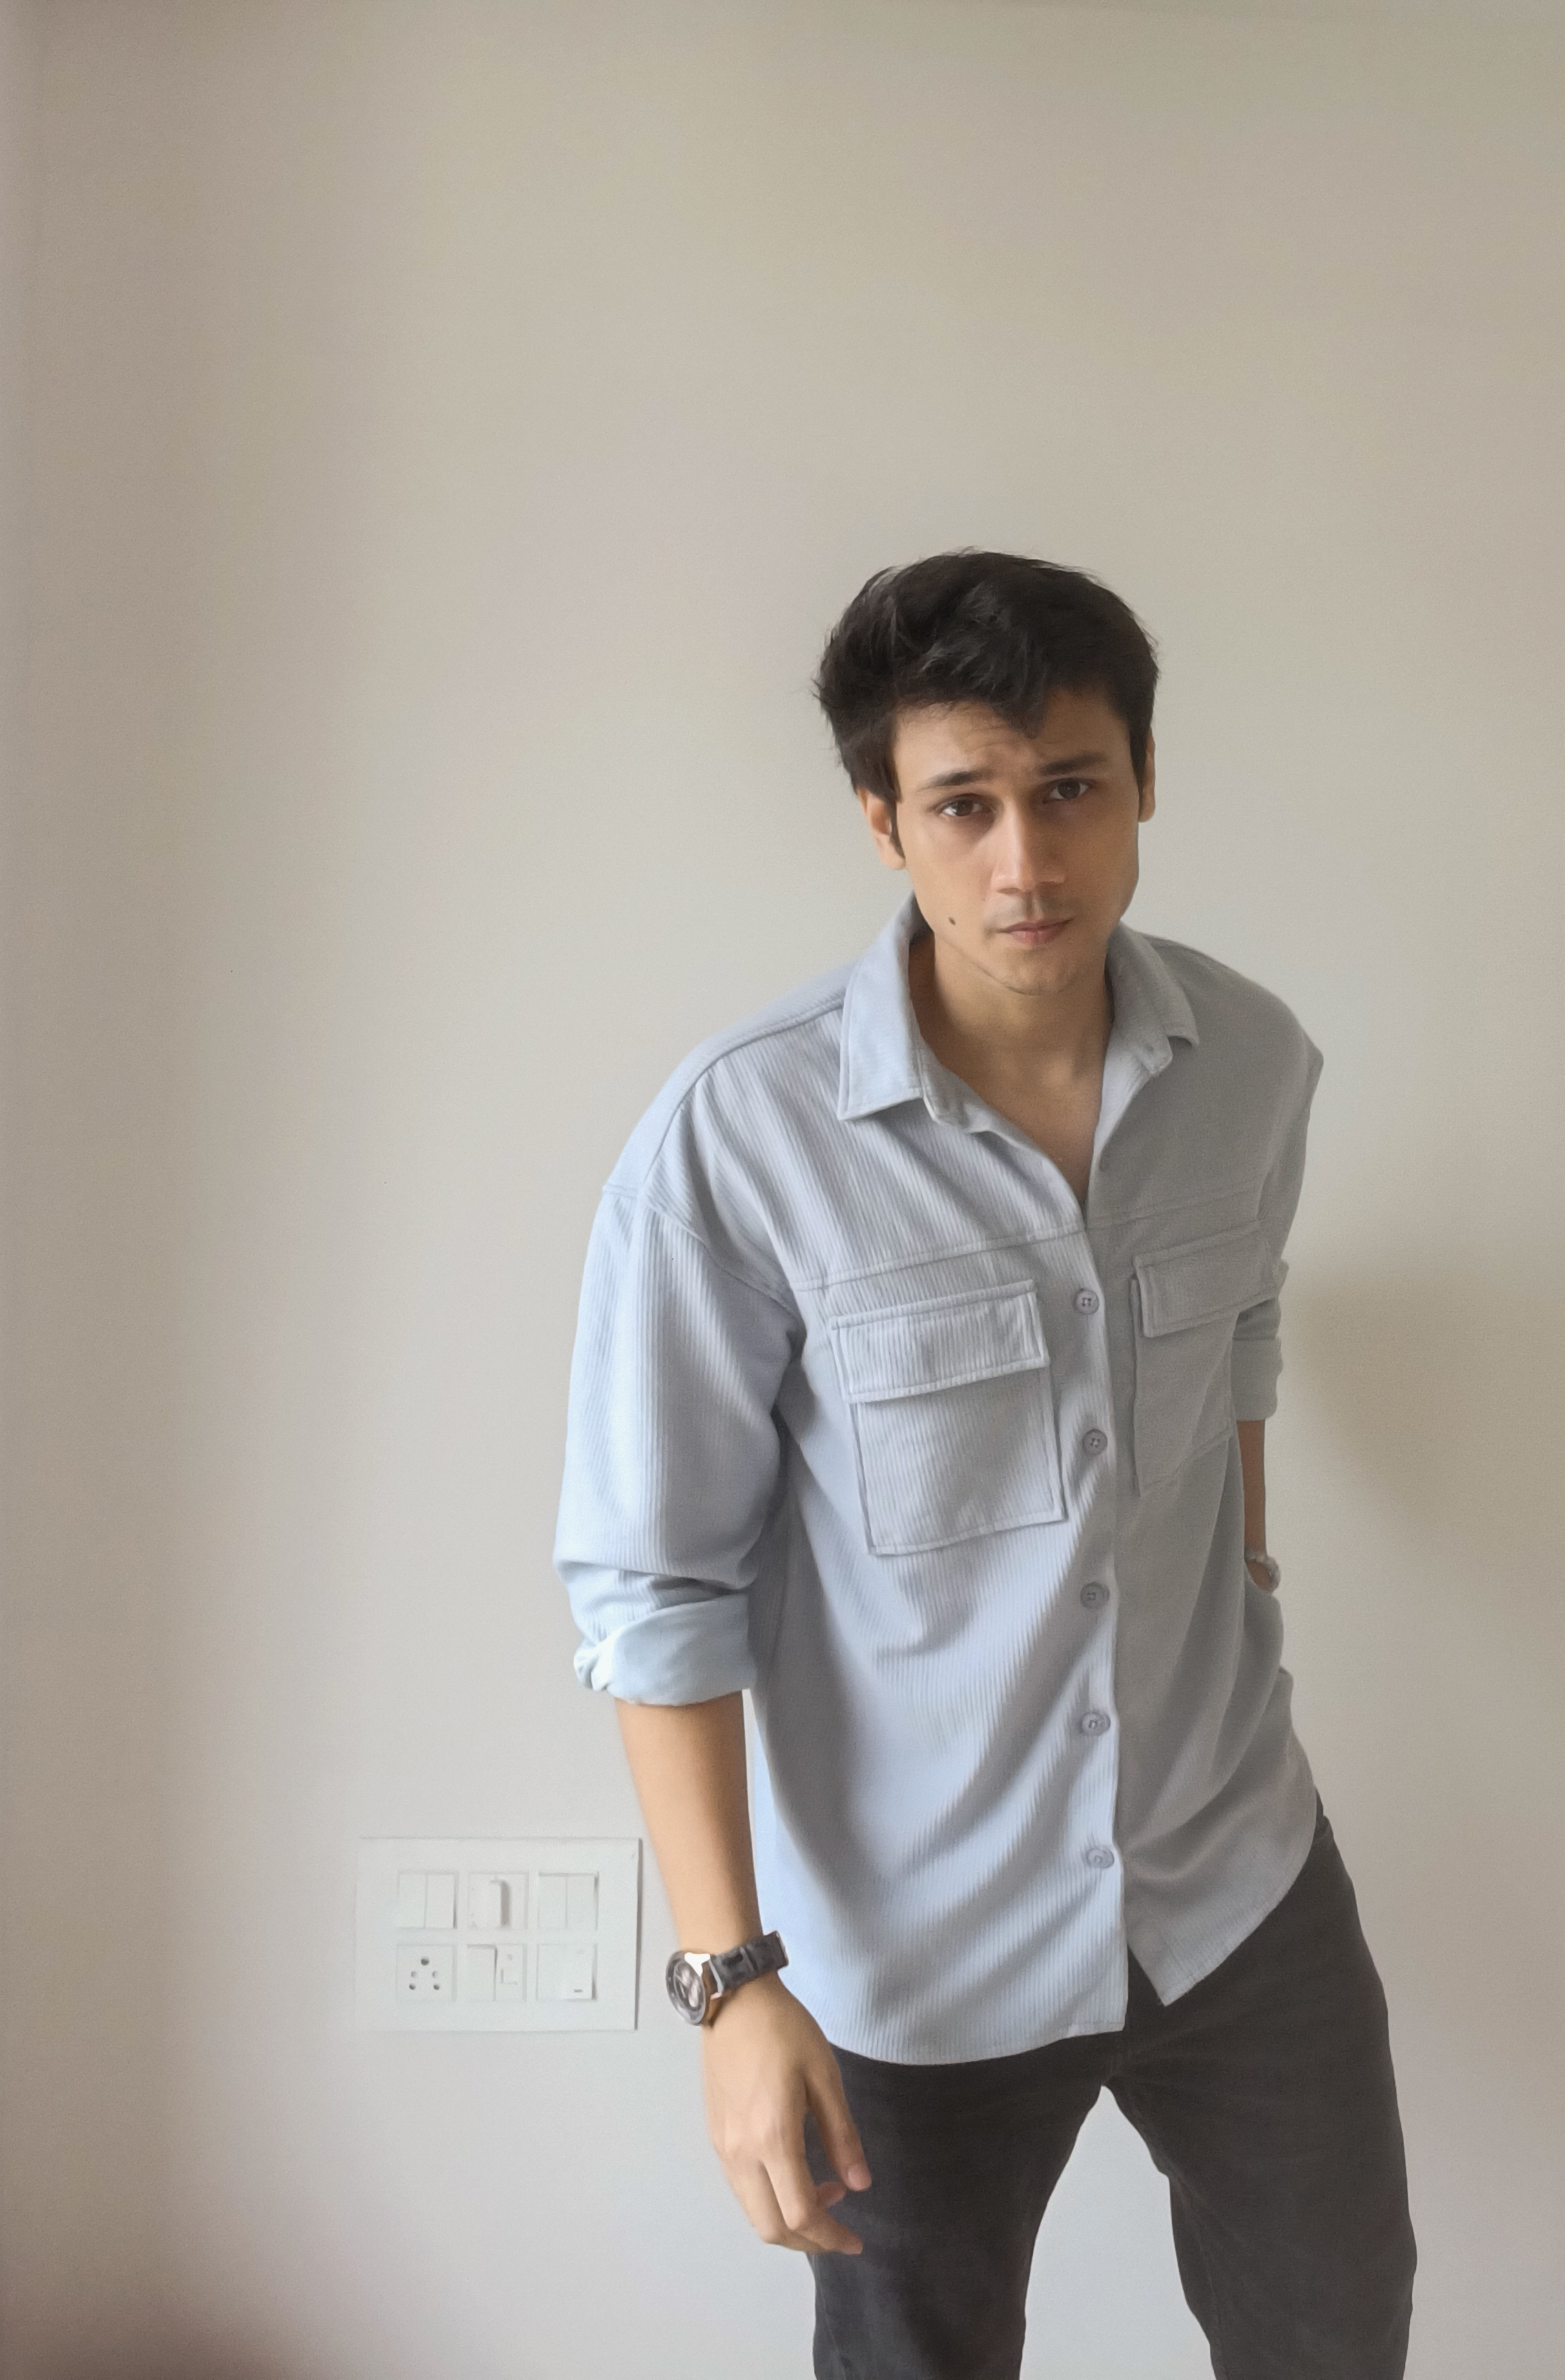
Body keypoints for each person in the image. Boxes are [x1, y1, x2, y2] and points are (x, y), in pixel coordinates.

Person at [554, 550, 1416, 2379]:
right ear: (884, 820)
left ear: (1145, 783)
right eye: (964, 804)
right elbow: (656, 1583)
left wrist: (1248, 1577)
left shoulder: (1254, 1065)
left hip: (1232, 1877)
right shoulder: (743, 1137)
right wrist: (732, 1983)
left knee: (1338, 2336)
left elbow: (1239, 1349)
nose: (1027, 859)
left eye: (1071, 788)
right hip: (915, 1947)